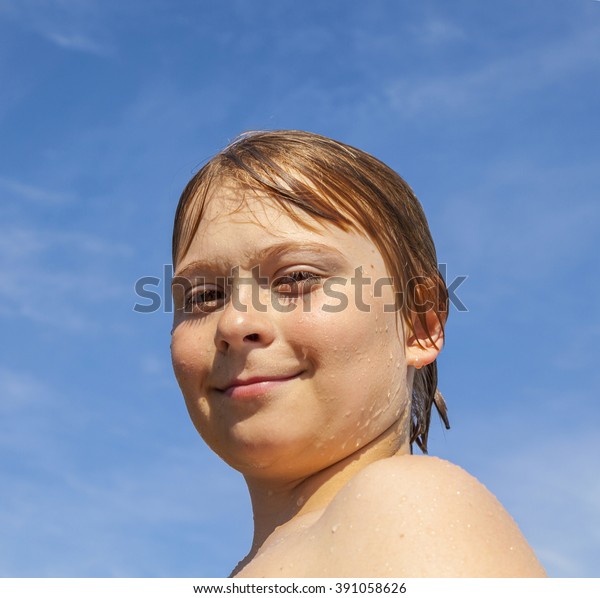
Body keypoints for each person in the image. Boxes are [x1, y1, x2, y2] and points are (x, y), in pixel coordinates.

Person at [170, 130, 545, 577]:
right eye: (203, 295)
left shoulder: (407, 505)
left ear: (419, 325)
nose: (234, 324)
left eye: (296, 278)